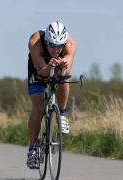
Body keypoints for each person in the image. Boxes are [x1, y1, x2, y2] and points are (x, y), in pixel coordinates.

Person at [26, 21, 77, 169]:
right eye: (53, 46)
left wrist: (62, 66)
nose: (56, 50)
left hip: (57, 67)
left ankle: (61, 114)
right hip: (39, 67)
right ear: (46, 41)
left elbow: (66, 73)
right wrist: (49, 66)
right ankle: (32, 150)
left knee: (64, 79)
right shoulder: (35, 42)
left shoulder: (70, 45)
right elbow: (41, 70)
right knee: (39, 107)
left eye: (59, 46)